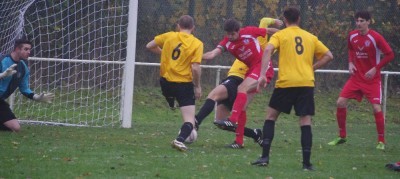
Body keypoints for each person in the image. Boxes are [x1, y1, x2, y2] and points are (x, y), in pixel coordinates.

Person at [252, 7, 333, 170]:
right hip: (306, 83)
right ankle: (306, 164)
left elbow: (268, 49)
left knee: (270, 117)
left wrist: (262, 74)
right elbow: (329, 56)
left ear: (285, 19)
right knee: (305, 121)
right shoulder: (310, 37)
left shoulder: (280, 35)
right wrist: (312, 67)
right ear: (299, 19)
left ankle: (265, 157)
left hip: (286, 82)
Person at [196, 17, 282, 148]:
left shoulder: (249, 31)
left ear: (238, 31)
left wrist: (286, 37)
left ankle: (232, 120)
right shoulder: (226, 42)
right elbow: (212, 54)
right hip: (251, 70)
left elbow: (270, 30)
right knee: (242, 106)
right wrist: (195, 57)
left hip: (263, 66)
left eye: (233, 34)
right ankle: (239, 142)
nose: (230, 37)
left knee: (241, 88)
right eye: (228, 34)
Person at [327, 11, 394, 150]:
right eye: (357, 21)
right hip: (356, 78)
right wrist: (350, 63)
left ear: (369, 22)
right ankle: (342, 136)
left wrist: (376, 68)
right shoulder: (352, 35)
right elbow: (351, 49)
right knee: (340, 102)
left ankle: (381, 141)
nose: (359, 23)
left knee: (376, 107)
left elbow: (390, 54)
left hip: (372, 80)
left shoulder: (376, 37)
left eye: (362, 21)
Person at [146, 15, 203, 152]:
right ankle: (179, 140)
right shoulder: (197, 43)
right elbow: (195, 67)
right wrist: (198, 86)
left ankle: (171, 101)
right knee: (190, 120)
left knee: (170, 93)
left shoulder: (169, 36)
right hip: (184, 84)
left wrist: (164, 53)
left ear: (178, 26)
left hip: (165, 82)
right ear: (193, 28)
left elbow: (149, 46)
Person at [0, 39, 55, 132]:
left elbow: (24, 88)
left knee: (15, 128)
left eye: (29, 49)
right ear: (17, 49)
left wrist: (36, 97)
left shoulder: (23, 68)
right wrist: (2, 75)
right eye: (26, 49)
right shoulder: (2, 60)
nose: (29, 52)